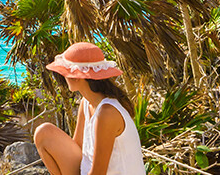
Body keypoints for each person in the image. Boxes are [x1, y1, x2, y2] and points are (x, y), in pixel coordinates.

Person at [33, 42, 147, 175]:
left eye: (67, 71)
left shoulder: (107, 113)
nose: (64, 76)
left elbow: (99, 172)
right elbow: (78, 151)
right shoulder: (86, 104)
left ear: (77, 77)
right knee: (43, 133)